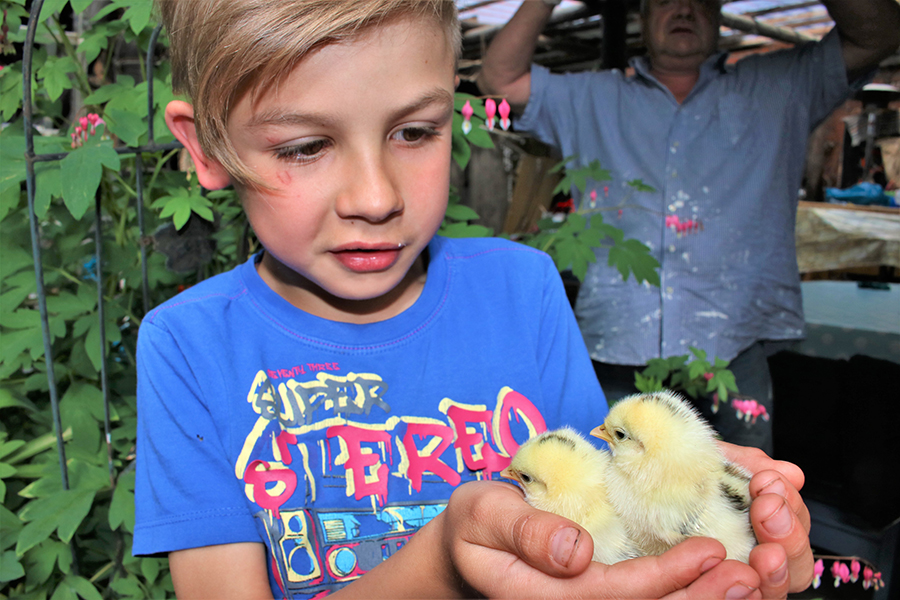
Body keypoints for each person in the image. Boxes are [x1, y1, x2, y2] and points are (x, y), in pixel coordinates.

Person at [134, 1, 815, 598]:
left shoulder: (524, 290)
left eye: (414, 131)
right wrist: (444, 566)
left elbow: (609, 513)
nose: (376, 197)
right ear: (207, 146)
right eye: (306, 146)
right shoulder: (188, 347)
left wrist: (708, 522)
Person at [478, 0, 900, 454]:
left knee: (742, 487)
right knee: (611, 488)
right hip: (616, 347)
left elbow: (879, 35)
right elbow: (497, 80)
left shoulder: (781, 83)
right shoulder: (591, 97)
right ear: (642, 16)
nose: (683, 9)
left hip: (734, 349)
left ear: (718, 12)